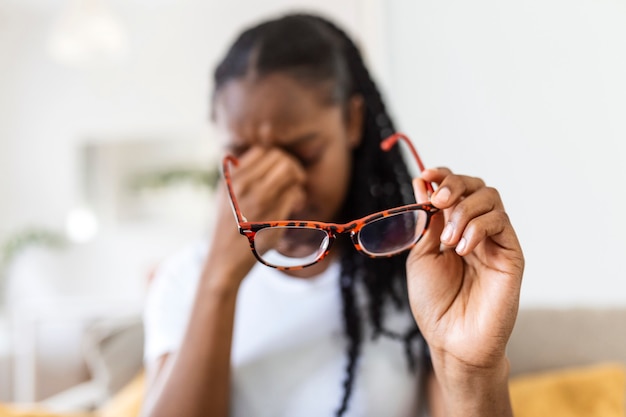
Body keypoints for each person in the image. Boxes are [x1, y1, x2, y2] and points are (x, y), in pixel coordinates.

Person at [141, 13, 524, 417]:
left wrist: (472, 371)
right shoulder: (186, 279)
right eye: (245, 158)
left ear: (352, 122)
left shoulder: (417, 269)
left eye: (304, 153)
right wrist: (219, 279)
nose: (280, 186)